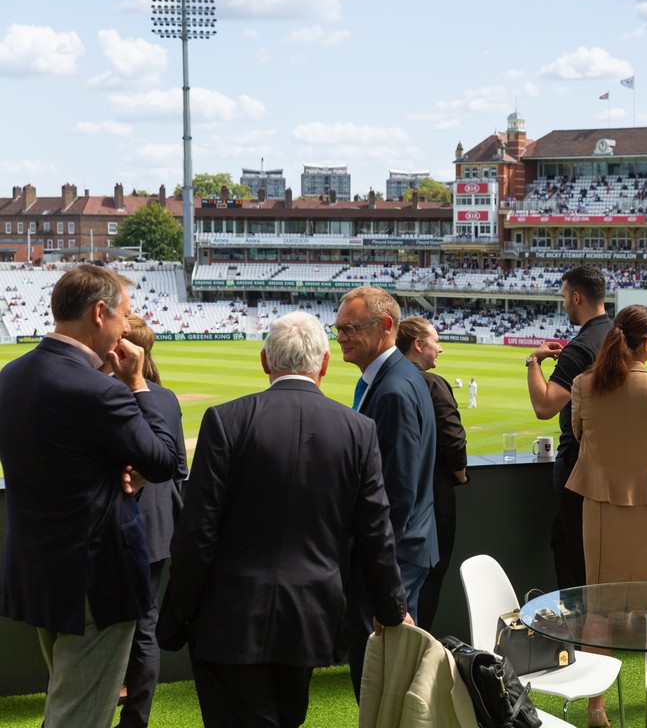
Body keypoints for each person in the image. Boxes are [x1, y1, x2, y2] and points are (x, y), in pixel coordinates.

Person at [165, 312, 408, 726]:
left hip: (231, 618)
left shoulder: (226, 421)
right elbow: (376, 534)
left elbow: (197, 532)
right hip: (311, 618)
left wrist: (180, 612)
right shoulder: (358, 429)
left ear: (265, 360)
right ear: (325, 364)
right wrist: (393, 609)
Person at [0, 264, 180, 728]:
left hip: (37, 571)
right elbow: (164, 461)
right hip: (96, 581)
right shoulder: (100, 391)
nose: (127, 328)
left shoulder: (11, 376)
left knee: (65, 699)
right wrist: (138, 382)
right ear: (100, 313)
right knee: (79, 717)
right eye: (124, 316)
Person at [568, 304, 647, 728]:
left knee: (599, 608)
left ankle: (595, 707)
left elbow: (580, 435)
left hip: (600, 505)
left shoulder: (583, 384)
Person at [334, 285, 437, 698]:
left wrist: (383, 578)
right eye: (338, 328)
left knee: (380, 681)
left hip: (394, 557)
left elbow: (396, 493)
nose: (341, 336)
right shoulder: (397, 379)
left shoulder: (393, 390)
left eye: (351, 328)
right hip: (404, 551)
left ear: (386, 328)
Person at [115, 316, 188, 728]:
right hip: (161, 528)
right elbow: (178, 467)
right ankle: (136, 718)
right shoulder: (166, 397)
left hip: (121, 527)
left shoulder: (111, 394)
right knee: (145, 627)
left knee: (117, 627)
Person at [526, 266, 613, 590]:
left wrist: (533, 362)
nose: (563, 305)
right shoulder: (617, 336)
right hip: (612, 461)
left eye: (564, 298)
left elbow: (545, 406)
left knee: (574, 553)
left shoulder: (581, 347)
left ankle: (581, 634)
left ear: (577, 297)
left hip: (578, 462)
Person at [396, 316, 469, 633]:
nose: (440, 348)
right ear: (418, 344)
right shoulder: (431, 383)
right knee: (429, 577)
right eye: (435, 341)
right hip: (432, 498)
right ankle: (418, 649)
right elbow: (454, 440)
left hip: (398, 500)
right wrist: (461, 474)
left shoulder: (386, 380)